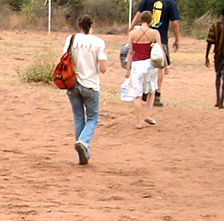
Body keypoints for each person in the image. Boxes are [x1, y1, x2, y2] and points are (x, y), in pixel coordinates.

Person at [62, 15, 108, 165]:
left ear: (79, 25)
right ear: (92, 25)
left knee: (78, 117)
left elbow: (64, 58)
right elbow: (103, 68)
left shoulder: (71, 39)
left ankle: (82, 153)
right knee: (93, 118)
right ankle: (83, 142)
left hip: (72, 82)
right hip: (91, 84)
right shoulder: (98, 42)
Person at [138, 0, 180, 106]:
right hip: (160, 37)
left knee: (145, 62)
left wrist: (132, 28)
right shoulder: (170, 2)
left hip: (144, 36)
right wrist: (177, 39)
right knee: (160, 66)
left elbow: (138, 14)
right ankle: (156, 95)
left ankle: (145, 91)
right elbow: (175, 23)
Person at [119, 9, 160, 128]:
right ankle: (148, 115)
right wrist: (165, 64)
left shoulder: (132, 34)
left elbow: (130, 52)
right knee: (151, 91)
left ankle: (138, 122)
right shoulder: (154, 33)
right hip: (150, 64)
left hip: (137, 65)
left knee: (137, 94)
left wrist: (127, 69)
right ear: (150, 20)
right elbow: (159, 49)